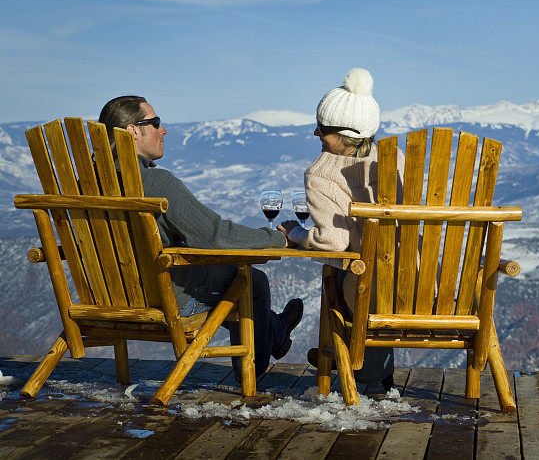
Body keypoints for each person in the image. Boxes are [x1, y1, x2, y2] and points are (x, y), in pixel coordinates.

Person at [98, 95, 303, 381]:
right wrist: (278, 239)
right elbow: (216, 235)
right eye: (155, 123)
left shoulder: (87, 184)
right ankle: (255, 366)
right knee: (251, 281)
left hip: (105, 296)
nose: (163, 130)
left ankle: (277, 332)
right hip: (160, 298)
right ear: (133, 130)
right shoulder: (157, 183)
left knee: (229, 281)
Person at [279, 68, 401, 391]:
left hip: (370, 290)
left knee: (348, 276)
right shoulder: (397, 160)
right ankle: (373, 370)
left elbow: (333, 242)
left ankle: (361, 370)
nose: (316, 135)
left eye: (322, 129)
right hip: (420, 281)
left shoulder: (320, 172)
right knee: (374, 274)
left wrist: (295, 235)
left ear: (344, 133)